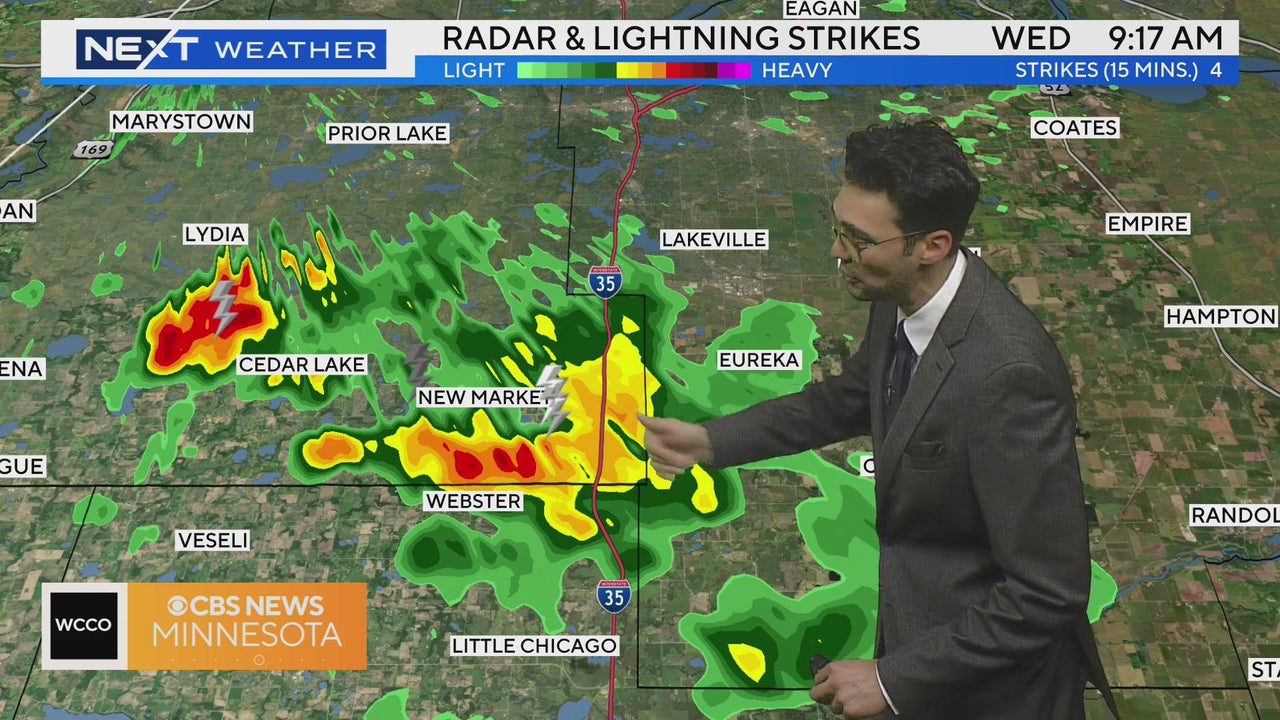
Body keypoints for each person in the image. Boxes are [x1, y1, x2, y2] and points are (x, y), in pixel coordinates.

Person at [638, 121, 1119, 720]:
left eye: (859, 239)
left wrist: (892, 681)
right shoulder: (902, 293)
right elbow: (850, 397)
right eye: (838, 228)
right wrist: (712, 440)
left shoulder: (1008, 377)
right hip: (925, 637)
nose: (838, 251)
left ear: (932, 245)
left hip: (995, 692)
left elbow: (1048, 591)